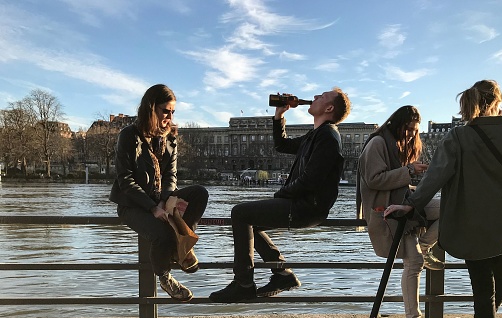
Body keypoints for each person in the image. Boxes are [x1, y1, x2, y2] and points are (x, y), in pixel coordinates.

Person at [384, 80, 502, 318]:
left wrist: (412, 204)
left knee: (483, 290)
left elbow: (436, 178)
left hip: (470, 225)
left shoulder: (457, 137)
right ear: (498, 101)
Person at [209, 88, 351, 302]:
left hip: (305, 207)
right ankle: (282, 274)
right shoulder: (316, 135)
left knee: (240, 214)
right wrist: (279, 116)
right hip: (302, 203)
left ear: (329, 108)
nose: (314, 98)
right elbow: (282, 145)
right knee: (249, 223)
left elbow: (311, 179)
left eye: (321, 97)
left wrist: (281, 195)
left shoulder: (328, 136)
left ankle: (244, 284)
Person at [110, 84, 209, 302]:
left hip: (159, 198)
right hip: (132, 204)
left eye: (173, 112)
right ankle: (165, 278)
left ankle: (181, 244)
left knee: (200, 194)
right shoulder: (128, 136)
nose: (170, 117)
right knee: (161, 234)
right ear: (151, 108)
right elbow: (125, 181)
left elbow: (171, 175)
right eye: (166, 111)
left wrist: (167, 199)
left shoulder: (170, 137)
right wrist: (152, 207)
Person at [357, 105, 441, 318]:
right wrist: (409, 171)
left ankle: (424, 247)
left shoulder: (393, 144)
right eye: (408, 130)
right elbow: (373, 179)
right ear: (397, 124)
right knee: (413, 263)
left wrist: (414, 181)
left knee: (452, 208)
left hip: (402, 205)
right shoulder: (377, 144)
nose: (410, 135)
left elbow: (391, 182)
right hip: (386, 213)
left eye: (415, 132)